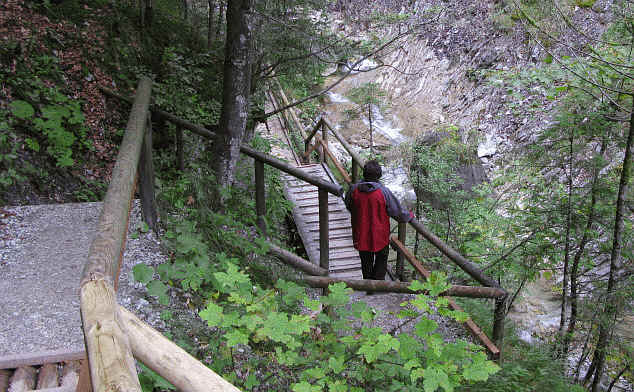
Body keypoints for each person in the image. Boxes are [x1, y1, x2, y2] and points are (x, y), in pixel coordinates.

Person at [344, 160, 413, 283]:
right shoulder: (383, 192)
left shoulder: (354, 189)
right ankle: (379, 284)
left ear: (364, 174)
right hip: (379, 235)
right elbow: (397, 212)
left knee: (366, 261)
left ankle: (368, 285)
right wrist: (409, 215)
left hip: (361, 233)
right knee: (381, 259)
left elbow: (348, 205)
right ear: (379, 175)